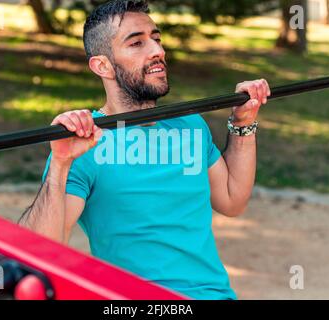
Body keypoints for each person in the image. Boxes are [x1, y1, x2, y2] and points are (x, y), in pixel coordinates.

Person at [18, 0, 270, 300]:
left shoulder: (189, 124)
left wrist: (242, 123)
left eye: (156, 39)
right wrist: (60, 164)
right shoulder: (84, 143)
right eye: (137, 43)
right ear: (102, 65)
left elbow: (232, 200)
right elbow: (38, 253)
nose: (157, 51)